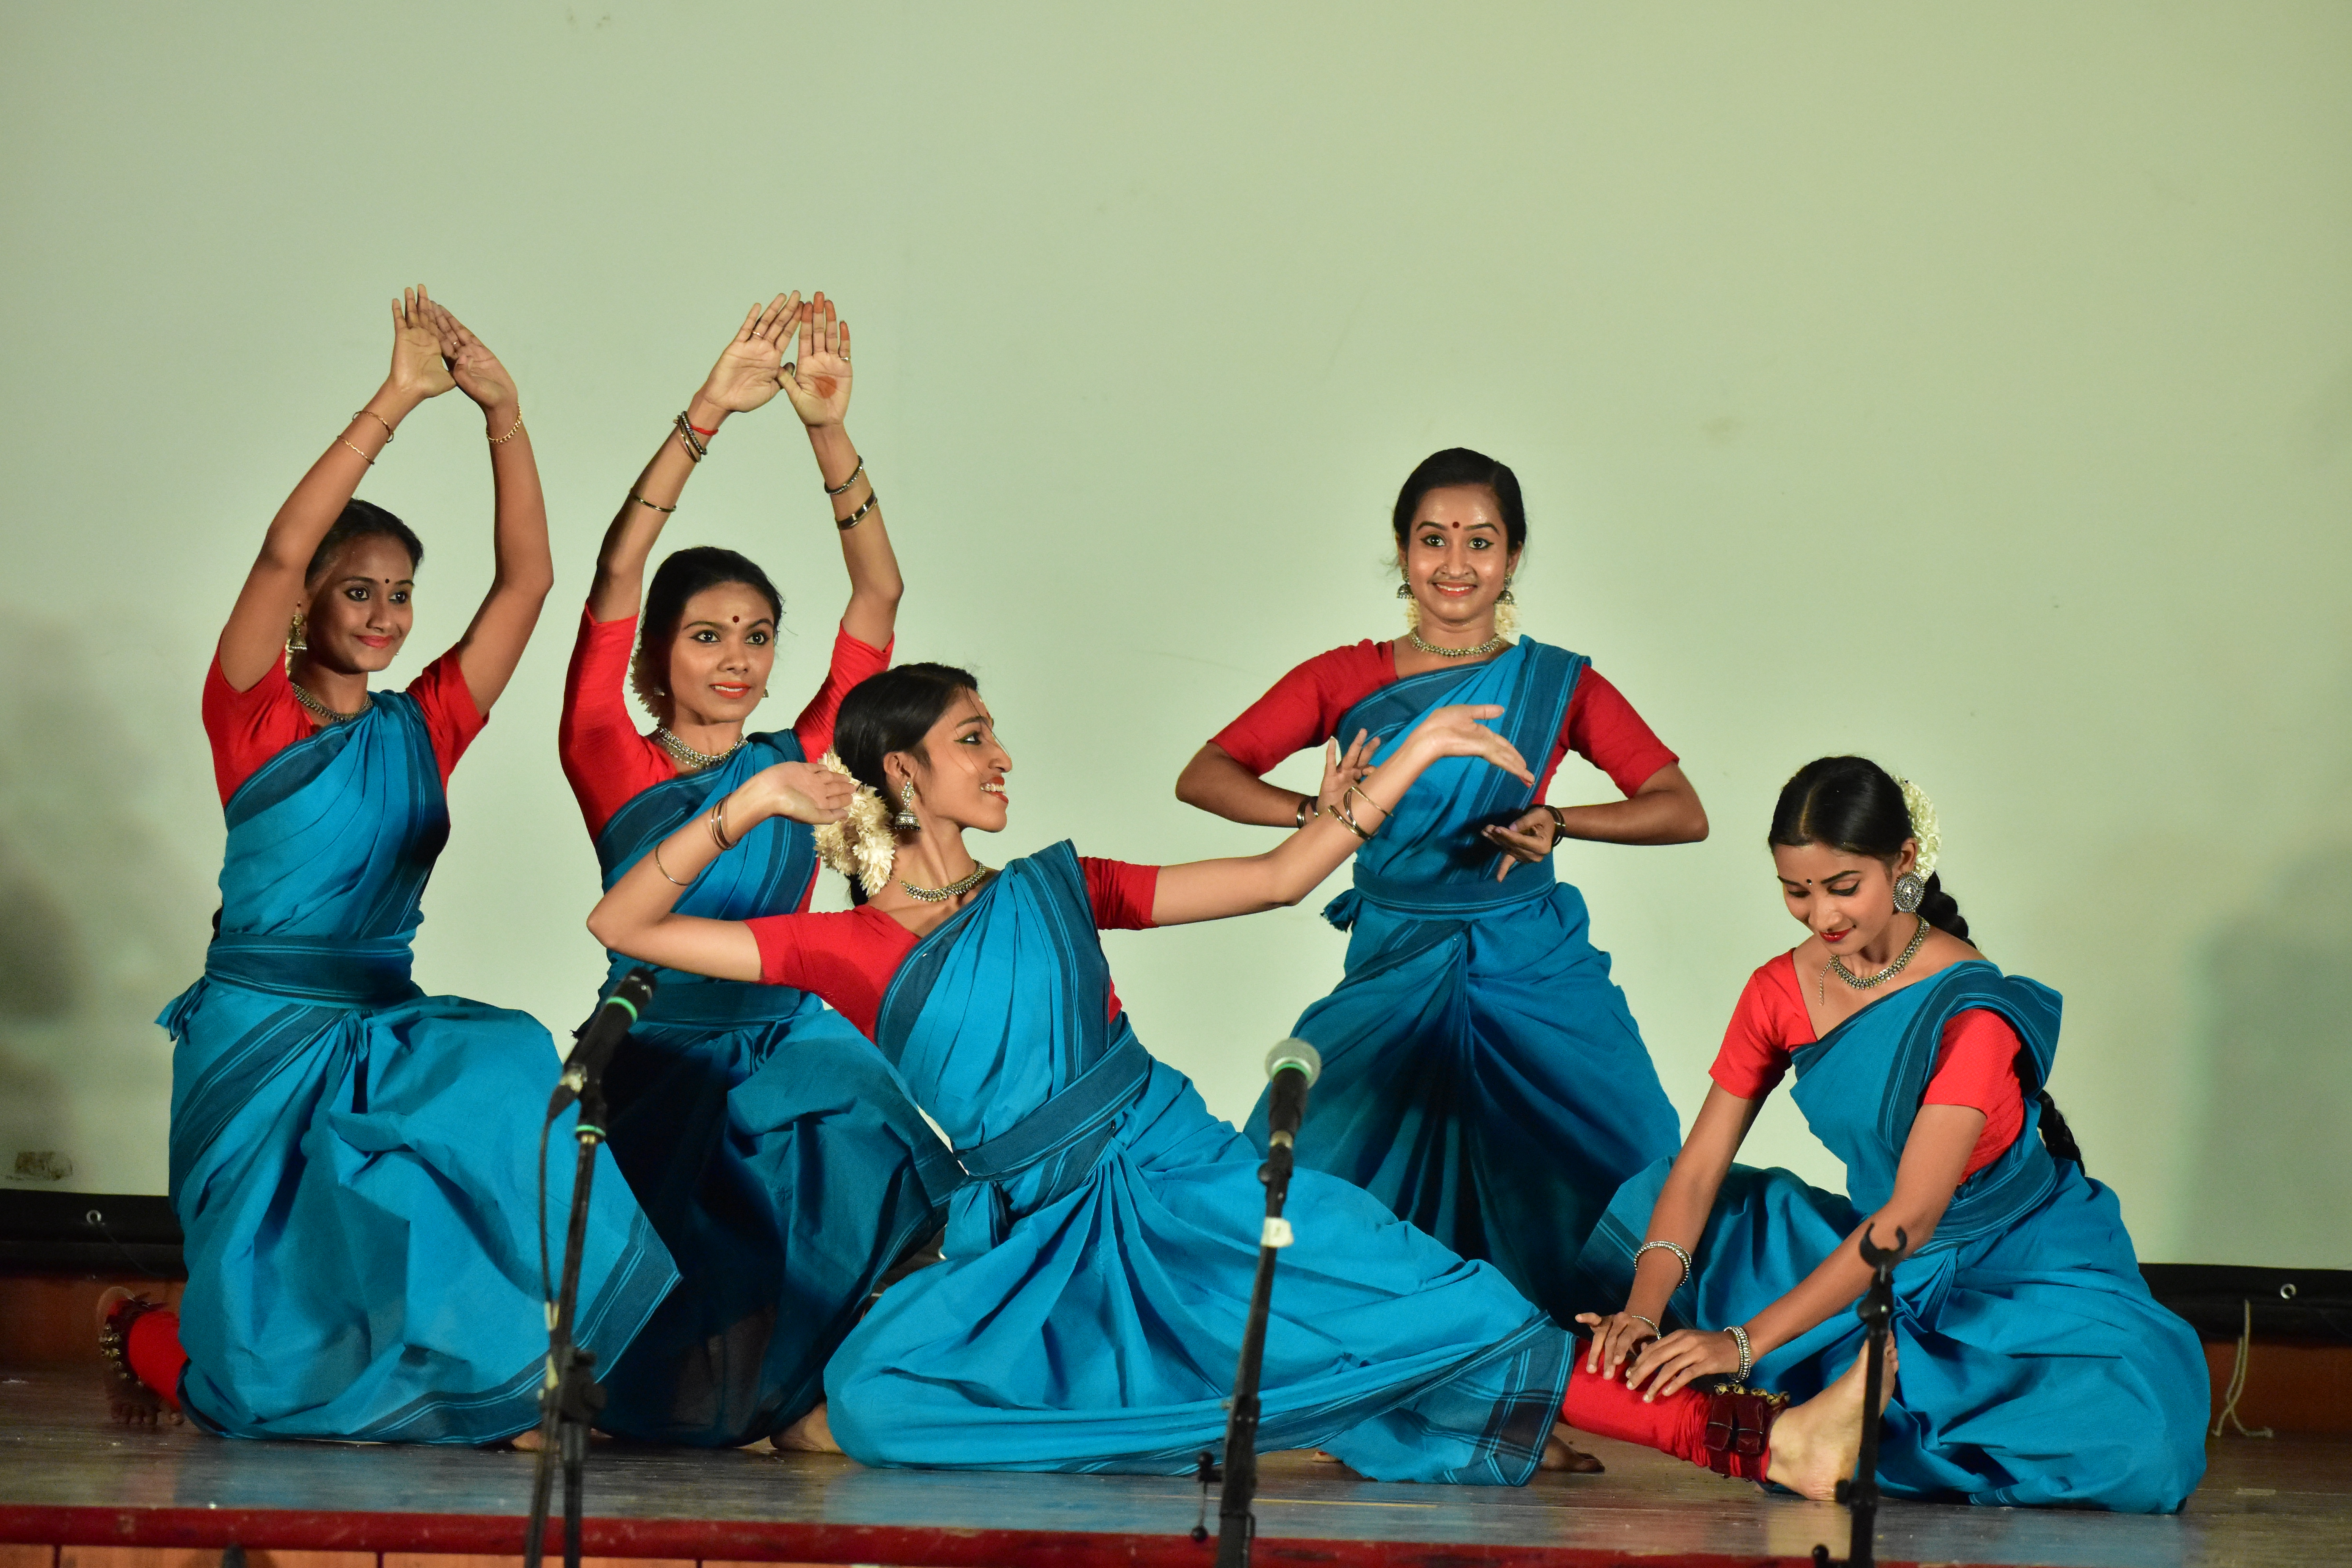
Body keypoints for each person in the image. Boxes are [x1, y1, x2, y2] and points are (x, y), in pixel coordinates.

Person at [584, 665, 1891, 1494]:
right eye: (976, 738)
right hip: (1037, 1235)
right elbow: (625, 930)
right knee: (876, 1398)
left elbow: (1278, 877)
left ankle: (1762, 1442)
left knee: (1441, 1312)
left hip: (1179, 1174)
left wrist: (1419, 756)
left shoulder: (1058, 885)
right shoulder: (843, 946)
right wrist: (745, 811)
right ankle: (1270, 1434)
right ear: (906, 773)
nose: (1002, 760)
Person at [102, 290, 674, 1441]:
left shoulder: (426, 727)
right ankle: (148, 1339)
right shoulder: (252, 713)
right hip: (260, 1038)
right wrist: (399, 399)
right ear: (310, 599)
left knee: (507, 1067)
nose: (384, 613)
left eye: (401, 594)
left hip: (378, 1028)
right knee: (257, 1369)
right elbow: (274, 548)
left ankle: (505, 1377)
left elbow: (528, 586)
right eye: (357, 589)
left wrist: (503, 412)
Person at [1571, 757, 2209, 1512]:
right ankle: (1820, 1429)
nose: (1821, 917)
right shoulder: (1777, 991)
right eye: (1795, 891)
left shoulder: (1970, 1009)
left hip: (2018, 1260)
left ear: (1903, 861)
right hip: (1871, 1254)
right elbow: (1702, 1168)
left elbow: (1909, 1218)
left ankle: (1828, 1434)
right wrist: (1643, 1314)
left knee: (2140, 1442)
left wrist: (1740, 1344)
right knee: (1649, 1263)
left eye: (1844, 888)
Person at [556, 292, 956, 1447]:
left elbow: (877, 596)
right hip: (663, 1056)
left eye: (758, 634)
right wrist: (707, 417)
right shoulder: (611, 756)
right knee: (679, 1355)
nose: (739, 659)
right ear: (653, 654)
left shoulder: (803, 752)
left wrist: (828, 432)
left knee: (893, 1156)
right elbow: (615, 567)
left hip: (784, 1044)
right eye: (707, 635)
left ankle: (835, 1399)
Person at [1175, 447, 1701, 1320]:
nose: (1455, 564)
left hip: (1533, 958)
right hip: (1397, 960)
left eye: (1481, 541)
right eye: (1433, 539)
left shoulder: (1558, 681)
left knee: (1630, 1144)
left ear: (1515, 556)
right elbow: (1208, 772)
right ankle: (1381, 1364)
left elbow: (1680, 807)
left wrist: (1562, 821)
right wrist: (1325, 808)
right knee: (1319, 1165)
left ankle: (1573, 1369)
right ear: (1402, 548)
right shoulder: (1344, 676)